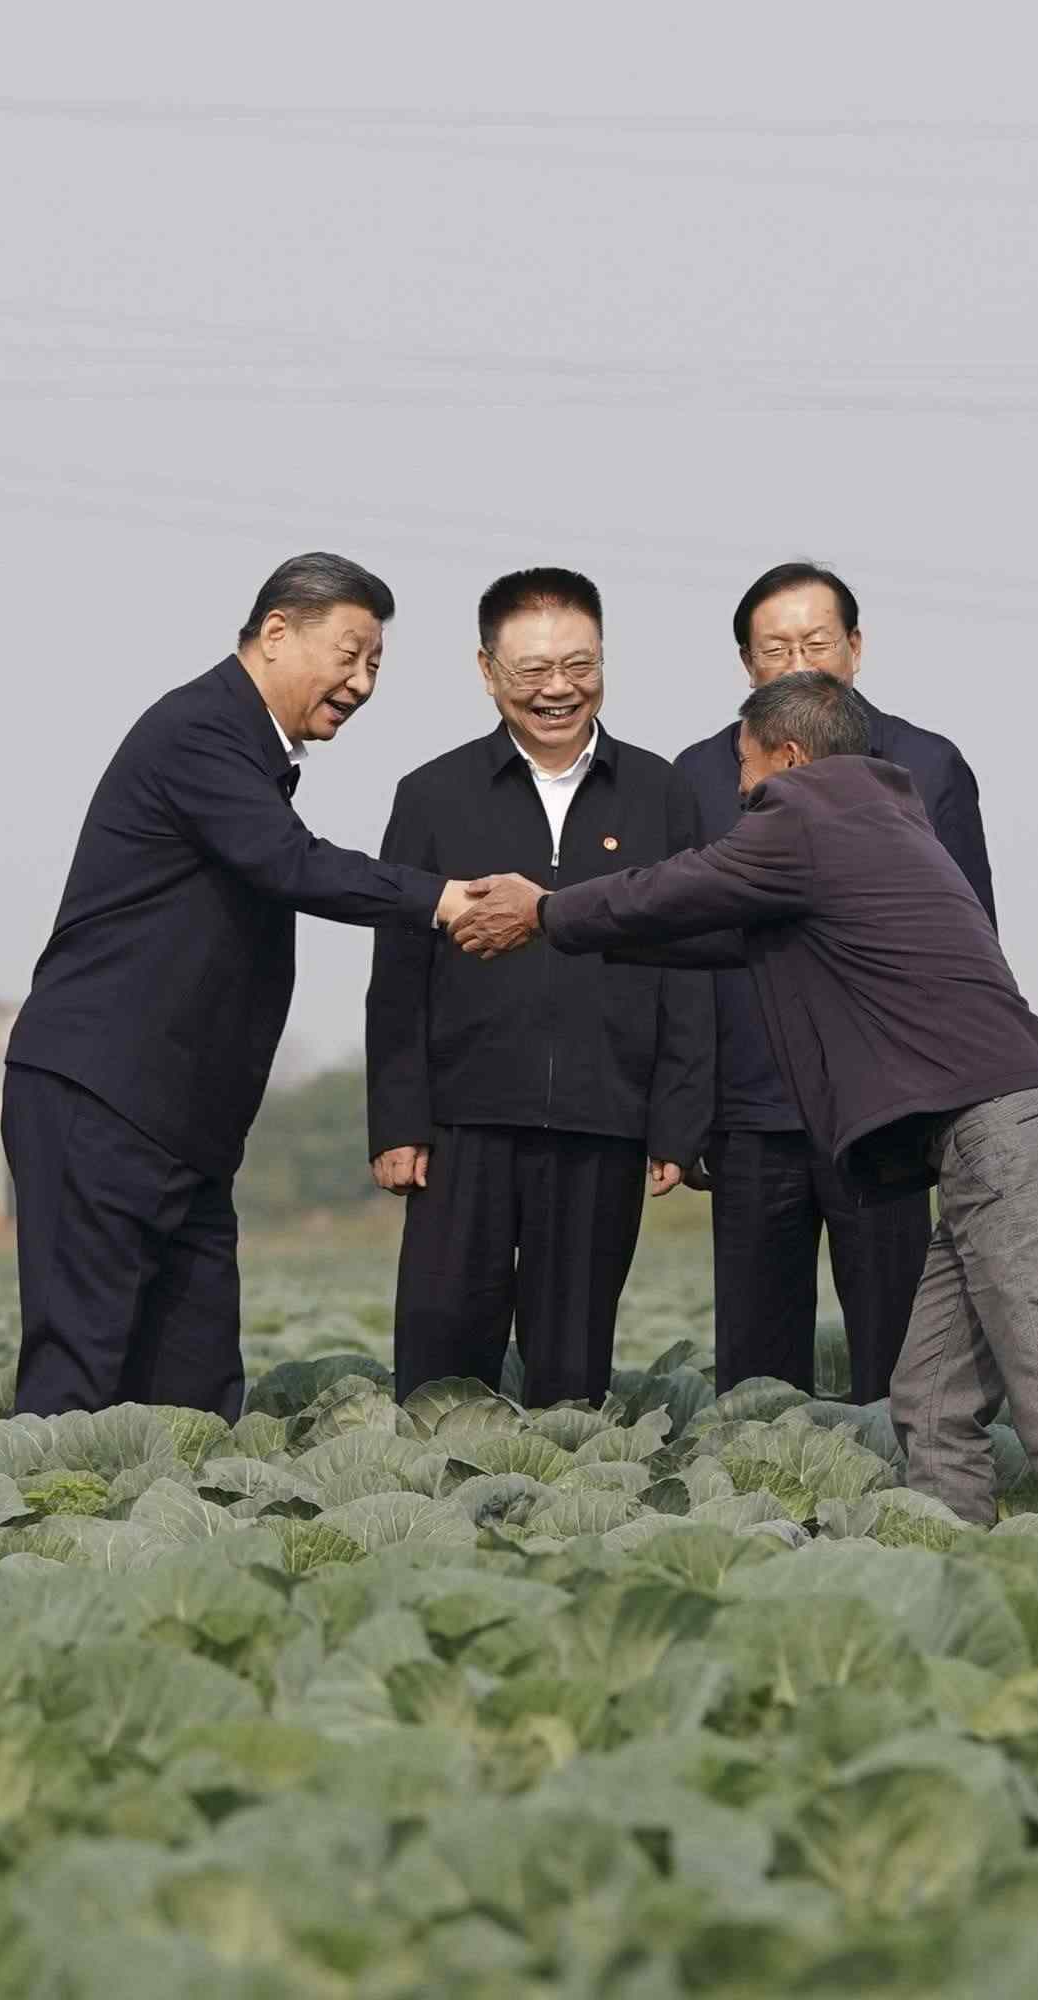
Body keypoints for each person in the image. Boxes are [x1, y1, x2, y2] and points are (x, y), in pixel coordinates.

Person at [450, 671, 1038, 1526]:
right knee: (931, 1404)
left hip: (1005, 1145)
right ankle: (953, 1555)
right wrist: (570, 936)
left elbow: (677, 888)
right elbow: (715, 931)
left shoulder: (806, 815)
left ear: (786, 757)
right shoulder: (877, 821)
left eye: (744, 771)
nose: (740, 794)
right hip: (1004, 1141)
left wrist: (547, 909)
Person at [3, 553, 488, 1419]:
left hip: (181, 1127)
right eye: (350, 654)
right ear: (276, 632)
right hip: (103, 1099)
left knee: (194, 1392)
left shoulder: (248, 749)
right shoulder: (200, 731)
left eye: (376, 664)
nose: (362, 682)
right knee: (81, 1377)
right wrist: (443, 899)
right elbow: (290, 863)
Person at [365, 567, 708, 1405]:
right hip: (462, 1124)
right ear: (488, 672)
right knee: (442, 1353)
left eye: (580, 665)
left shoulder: (662, 792)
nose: (559, 689)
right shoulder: (432, 794)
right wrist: (399, 1120)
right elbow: (397, 973)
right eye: (533, 670)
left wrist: (677, 1118)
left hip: (604, 1121)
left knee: (572, 1369)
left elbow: (692, 963)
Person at [673, 562, 994, 1403]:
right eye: (775, 649)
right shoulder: (700, 775)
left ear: (855, 646)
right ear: (746, 664)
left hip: (884, 1115)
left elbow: (968, 947)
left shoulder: (928, 765)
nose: (798, 663)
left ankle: (907, 1481)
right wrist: (684, 1109)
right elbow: (675, 951)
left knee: (900, 1358)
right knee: (755, 1369)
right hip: (750, 1113)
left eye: (816, 643)